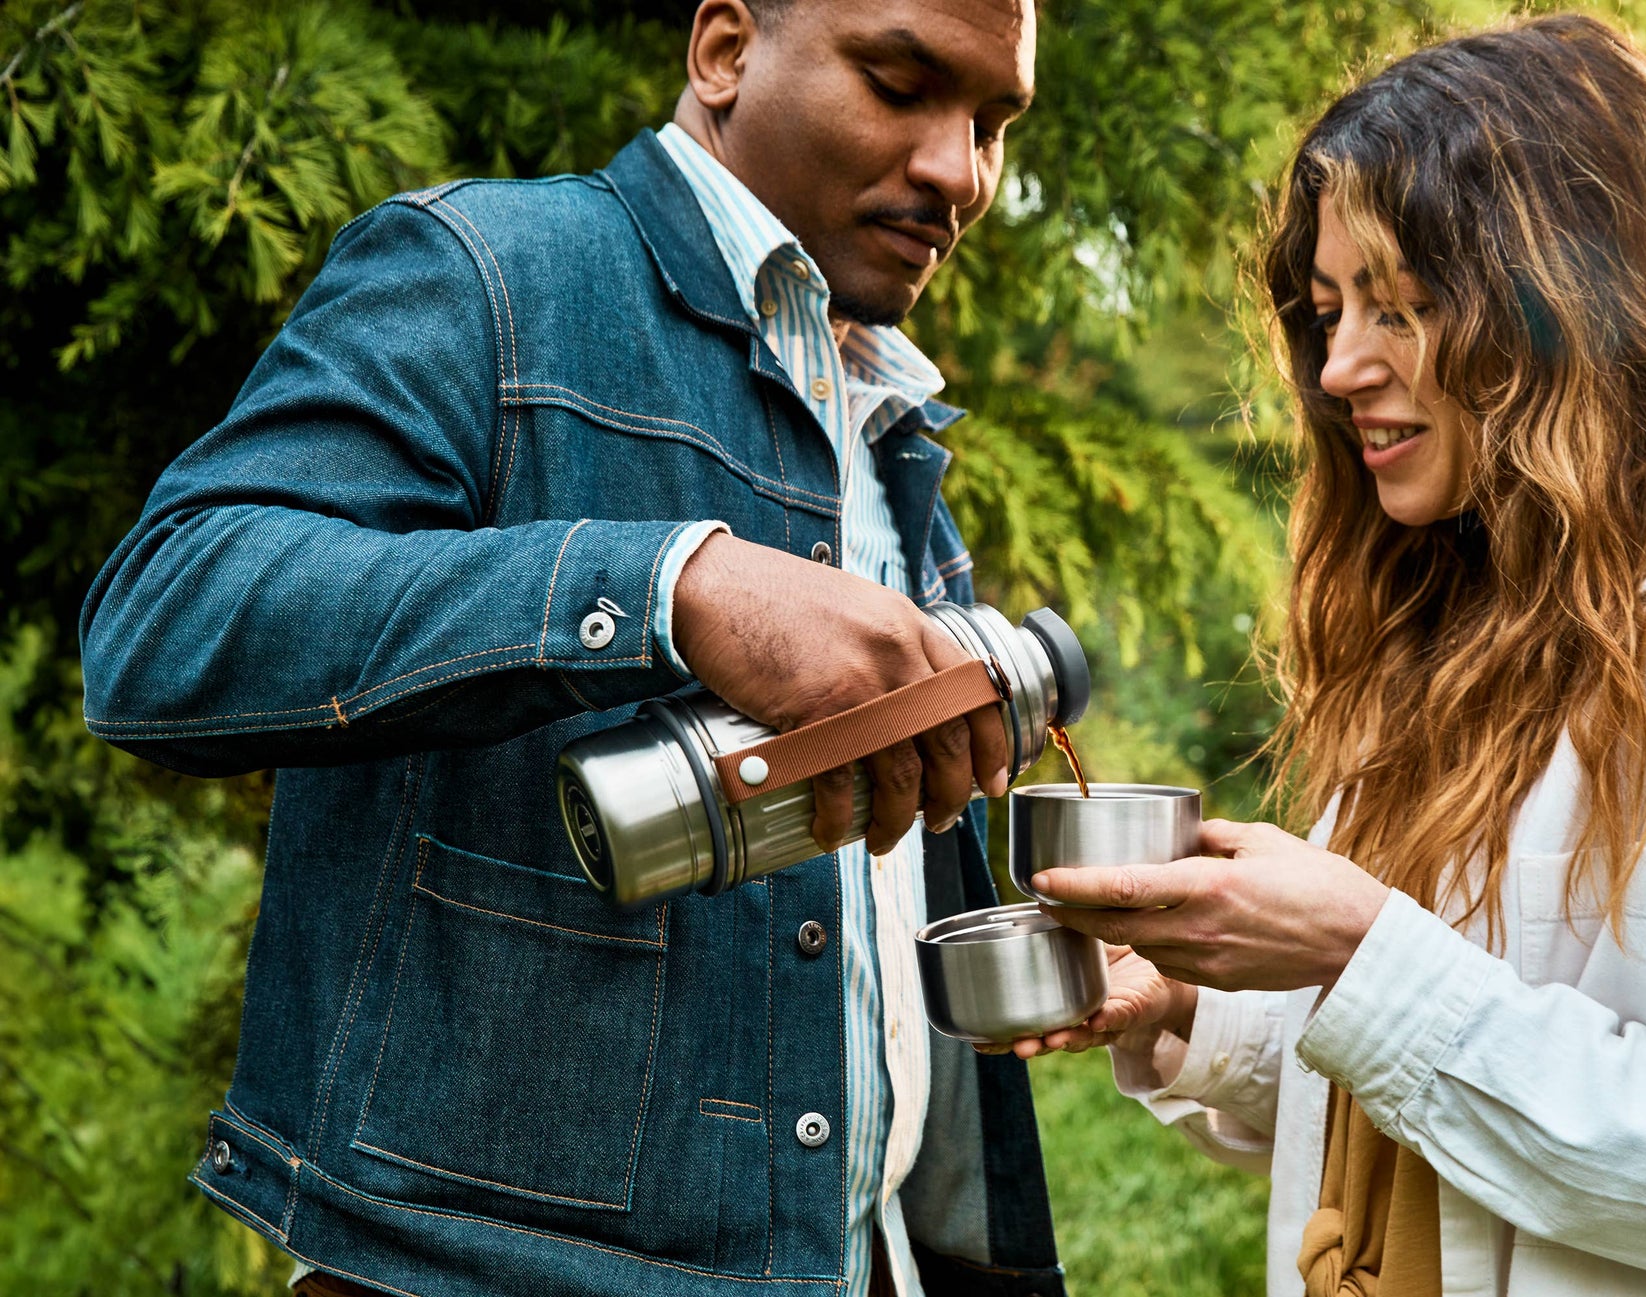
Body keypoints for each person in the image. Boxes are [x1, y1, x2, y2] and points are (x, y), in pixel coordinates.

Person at [77, 2, 1064, 1295]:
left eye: (991, 124)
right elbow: (165, 620)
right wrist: (668, 585)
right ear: (723, 53)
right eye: (898, 84)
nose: (958, 171)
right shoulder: (486, 273)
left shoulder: (888, 416)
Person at [1012, 14, 1646, 1297]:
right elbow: (1427, 1108)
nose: (1337, 366)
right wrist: (1198, 1010)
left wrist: (1357, 950)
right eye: (1328, 309)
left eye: (1397, 306)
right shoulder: (1452, 656)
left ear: (1570, 304)